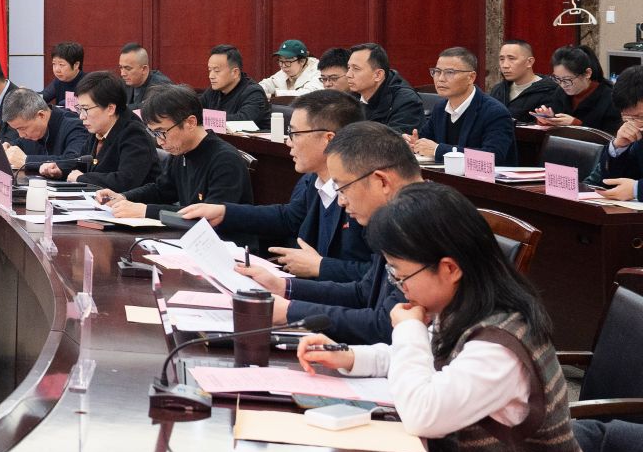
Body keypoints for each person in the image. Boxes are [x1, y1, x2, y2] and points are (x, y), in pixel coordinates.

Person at [297, 183, 601, 452]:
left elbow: (424, 411)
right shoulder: (468, 310)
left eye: (401, 275)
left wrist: (406, 328)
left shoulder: (500, 344)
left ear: (450, 268)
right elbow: (428, 361)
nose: (399, 287)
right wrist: (350, 357)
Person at [241, 121, 422, 343]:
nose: (341, 201)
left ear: (382, 181)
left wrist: (290, 312)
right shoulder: (396, 218)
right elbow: (362, 293)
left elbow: (385, 325)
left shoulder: (423, 225)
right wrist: (283, 287)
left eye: (343, 188)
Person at [179, 91, 371, 281]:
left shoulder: (366, 196)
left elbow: (376, 277)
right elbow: (289, 218)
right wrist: (224, 212)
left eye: (294, 134)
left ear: (328, 139)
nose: (288, 142)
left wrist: (320, 267)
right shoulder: (313, 179)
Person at [97, 85, 252, 217]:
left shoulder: (225, 160)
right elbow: (161, 191)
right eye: (154, 133)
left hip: (223, 241)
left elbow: (208, 217)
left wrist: (145, 211)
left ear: (190, 122)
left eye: (162, 132)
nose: (159, 141)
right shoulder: (181, 152)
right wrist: (124, 197)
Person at [49, 72, 161, 190]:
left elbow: (125, 181)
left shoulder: (134, 133)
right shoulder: (99, 127)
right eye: (79, 109)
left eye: (86, 109)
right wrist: (61, 170)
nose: (81, 116)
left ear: (110, 109)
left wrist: (81, 178)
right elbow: (82, 164)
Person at [411, 47, 517, 165]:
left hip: (486, 177)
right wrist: (413, 144)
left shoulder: (495, 112)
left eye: (449, 72)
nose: (440, 79)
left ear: (471, 77)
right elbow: (425, 141)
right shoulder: (440, 108)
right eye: (437, 71)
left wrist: (438, 150)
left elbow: (492, 157)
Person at [0, 86, 93, 173]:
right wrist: (8, 147)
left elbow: (74, 160)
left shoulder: (75, 126)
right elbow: (18, 145)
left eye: (22, 128)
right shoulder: (29, 132)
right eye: (16, 129)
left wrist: (26, 160)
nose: (21, 135)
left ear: (41, 115)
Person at [588, 68, 643, 203]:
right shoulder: (637, 136)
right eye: (626, 117)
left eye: (639, 117)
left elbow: (632, 187)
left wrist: (636, 189)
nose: (633, 124)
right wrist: (619, 147)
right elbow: (611, 182)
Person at [538, 46, 621, 134]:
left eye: (567, 79)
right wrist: (548, 120)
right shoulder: (560, 92)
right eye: (557, 78)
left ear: (587, 73)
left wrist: (577, 125)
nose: (562, 85)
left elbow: (611, 137)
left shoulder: (610, 98)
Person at [347, 42, 424, 134]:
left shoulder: (406, 101)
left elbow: (393, 140)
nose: (348, 75)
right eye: (348, 68)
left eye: (356, 69)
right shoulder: (351, 97)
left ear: (378, 75)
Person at [490, 39, 567, 121]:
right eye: (502, 59)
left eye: (511, 58)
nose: (505, 65)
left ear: (529, 62)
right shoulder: (498, 90)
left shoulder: (550, 91)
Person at [201, 44, 271, 126]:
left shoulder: (254, 92)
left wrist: (205, 118)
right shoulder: (214, 90)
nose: (211, 76)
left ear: (235, 72)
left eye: (217, 71)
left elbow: (243, 121)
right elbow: (195, 110)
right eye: (210, 70)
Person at [117, 44, 173, 108]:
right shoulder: (125, 83)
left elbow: (149, 108)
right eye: (121, 68)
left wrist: (122, 108)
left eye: (128, 68)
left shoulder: (161, 86)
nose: (122, 74)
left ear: (144, 69)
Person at [40, 42, 85, 109]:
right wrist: (27, 94)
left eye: (61, 65)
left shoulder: (88, 82)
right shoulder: (58, 82)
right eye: (54, 64)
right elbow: (43, 97)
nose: (56, 70)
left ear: (76, 65)